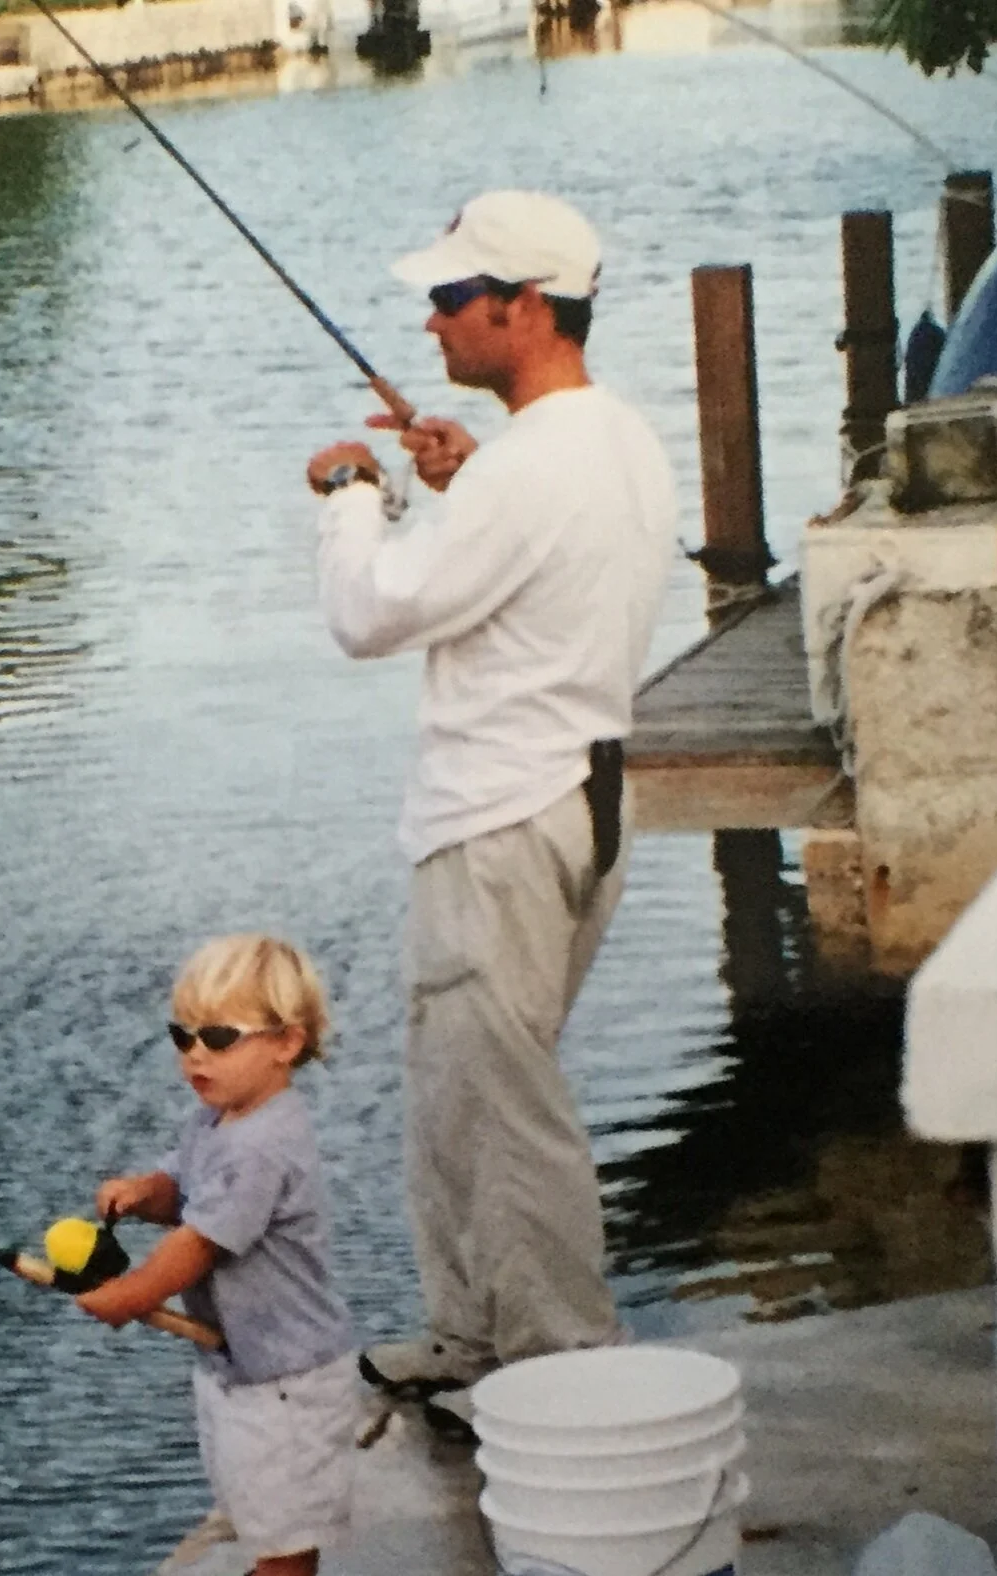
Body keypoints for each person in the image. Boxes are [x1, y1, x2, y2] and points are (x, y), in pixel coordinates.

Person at [304, 189, 677, 1417]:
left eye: (453, 299)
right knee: (458, 1087)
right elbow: (537, 569)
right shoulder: (612, 438)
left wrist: (354, 492)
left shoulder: (532, 471)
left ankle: (566, 1371)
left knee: (503, 1106)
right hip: (579, 797)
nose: (431, 324)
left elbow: (369, 614)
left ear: (526, 308)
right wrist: (465, 484)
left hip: (499, 820)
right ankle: (472, 1338)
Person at [78, 933, 362, 1576]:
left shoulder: (264, 1144)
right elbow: (186, 1191)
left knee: (283, 1494)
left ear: (286, 1044)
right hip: (241, 1354)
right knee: (244, 1478)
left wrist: (131, 1296)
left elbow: (201, 1243)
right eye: (183, 1036)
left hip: (289, 1368)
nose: (194, 1055)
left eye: (218, 1037)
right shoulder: (216, 1120)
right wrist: (146, 1192)